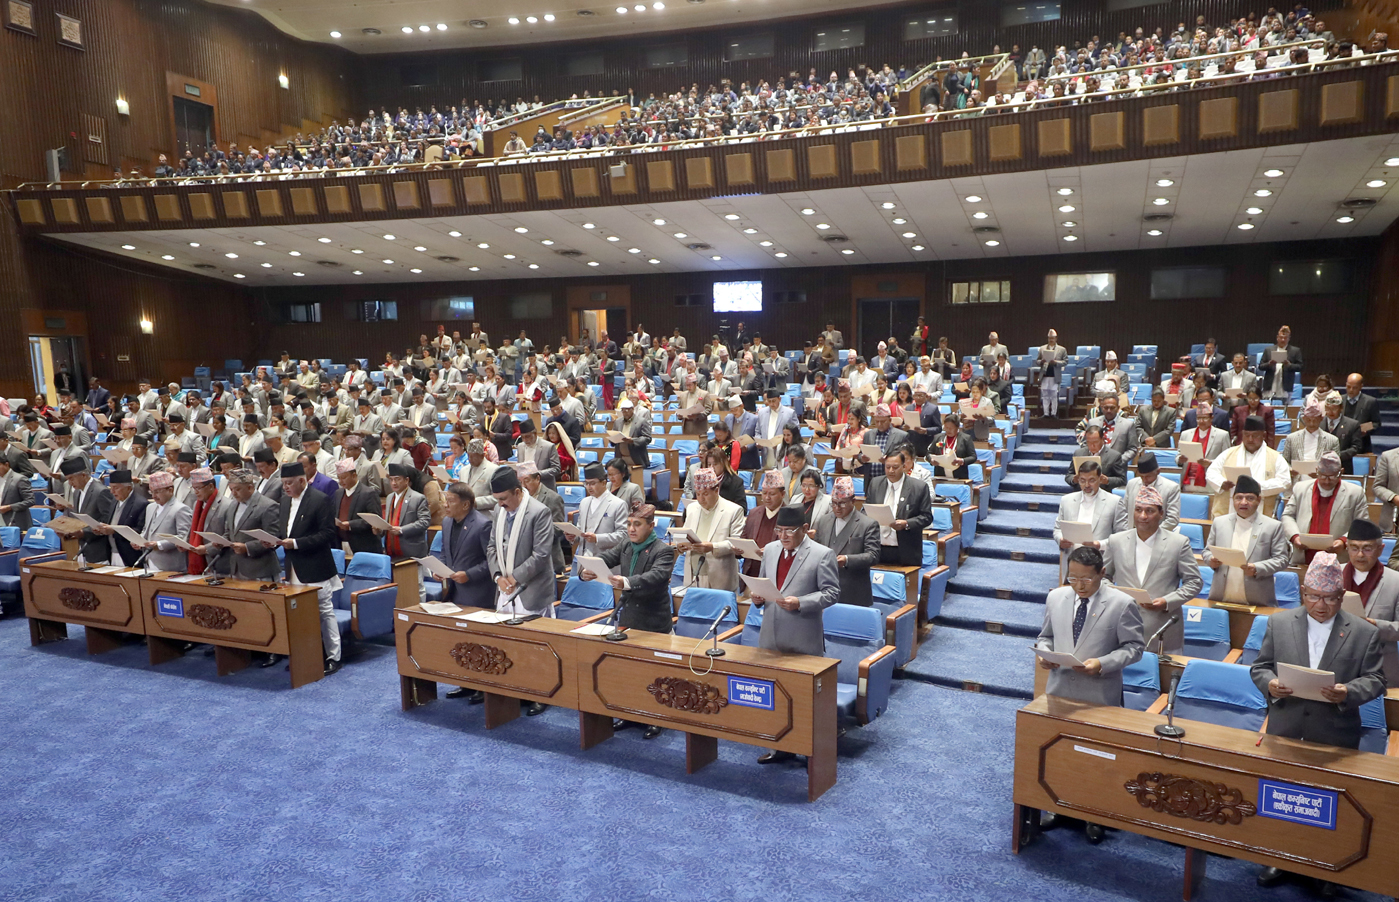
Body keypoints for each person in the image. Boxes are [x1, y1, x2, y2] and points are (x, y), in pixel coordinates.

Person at [1035, 545, 1144, 843]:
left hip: (1099, 693)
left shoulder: (1122, 603)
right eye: (1073, 579)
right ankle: (1057, 805)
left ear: (1102, 574)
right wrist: (1044, 654)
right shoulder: (1056, 597)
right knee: (1059, 751)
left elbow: (1135, 648)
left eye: (1086, 579)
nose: (1079, 585)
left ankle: (1094, 814)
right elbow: (1045, 636)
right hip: (1059, 690)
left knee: (1096, 757)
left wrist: (1103, 664)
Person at [1250, 551, 1385, 749]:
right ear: (1303, 591)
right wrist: (1270, 684)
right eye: (1313, 597)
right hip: (1285, 730)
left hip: (1335, 737)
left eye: (1330, 599)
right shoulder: (1279, 623)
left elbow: (1376, 679)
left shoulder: (1364, 632)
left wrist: (1348, 692)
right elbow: (1260, 667)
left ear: (1341, 596)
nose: (1321, 606)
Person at [753, 504, 840, 765]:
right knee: (773, 694)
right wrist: (757, 598)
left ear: (804, 529)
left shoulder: (822, 554)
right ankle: (778, 745)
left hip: (802, 636)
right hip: (770, 635)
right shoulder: (769, 550)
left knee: (803, 697)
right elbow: (763, 584)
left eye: (789, 531)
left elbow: (832, 593)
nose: (783, 536)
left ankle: (809, 749)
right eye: (779, 530)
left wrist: (801, 602)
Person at [1102, 487, 1201, 655]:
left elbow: (1194, 582)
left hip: (1162, 628)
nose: (1143, 516)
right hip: (1123, 626)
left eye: (1149, 511)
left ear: (1161, 514)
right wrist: (1116, 594)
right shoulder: (1116, 541)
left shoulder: (1178, 543)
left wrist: (1167, 601)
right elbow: (1103, 577)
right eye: (1138, 510)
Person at [273, 462, 344, 675]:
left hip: (315, 566)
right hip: (294, 567)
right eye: (283, 483)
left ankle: (334, 656)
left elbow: (327, 534)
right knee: (299, 613)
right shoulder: (284, 502)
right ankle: (307, 652)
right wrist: (274, 541)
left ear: (302, 481)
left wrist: (295, 543)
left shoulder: (319, 500)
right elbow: (283, 530)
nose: (285, 487)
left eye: (289, 483)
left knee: (324, 612)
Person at [583, 503, 675, 638]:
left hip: (654, 624)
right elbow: (607, 557)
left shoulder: (663, 550)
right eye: (629, 524)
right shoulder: (626, 544)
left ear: (651, 526)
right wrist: (588, 568)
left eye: (637, 524)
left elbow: (656, 575)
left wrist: (626, 582)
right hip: (628, 619)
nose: (631, 529)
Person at [1201, 475, 1292, 606]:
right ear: (1233, 500)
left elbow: (1282, 560)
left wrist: (1257, 568)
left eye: (1250, 498)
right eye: (1239, 498)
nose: (1243, 502)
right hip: (1220, 597)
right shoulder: (1220, 523)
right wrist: (1211, 560)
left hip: (1257, 599)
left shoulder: (1272, 526)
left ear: (1259, 500)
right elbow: (1207, 551)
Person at [1282, 451, 1369, 566]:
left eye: (1332, 476)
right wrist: (1295, 536)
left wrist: (1344, 541)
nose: (1326, 481)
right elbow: (1287, 515)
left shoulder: (1355, 493)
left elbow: (1362, 523)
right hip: (1303, 556)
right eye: (1322, 476)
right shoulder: (1301, 488)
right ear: (1316, 471)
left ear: (1341, 472)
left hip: (1338, 559)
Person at [1343, 520, 1399, 685]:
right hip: (1338, 664)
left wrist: (1375, 625)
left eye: (1367, 549)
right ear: (1347, 548)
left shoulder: (1395, 582)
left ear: (1380, 549)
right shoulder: (1333, 575)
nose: (1360, 555)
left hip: (1380, 666)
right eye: (1354, 548)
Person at [812, 476, 880, 607]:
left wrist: (847, 560)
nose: (837, 508)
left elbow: (873, 556)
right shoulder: (824, 521)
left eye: (842, 503)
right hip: (824, 588)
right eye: (834, 503)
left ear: (853, 501)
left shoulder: (868, 524)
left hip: (853, 591)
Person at [675, 467, 745, 592]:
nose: (701, 499)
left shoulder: (733, 510)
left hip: (720, 576)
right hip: (694, 574)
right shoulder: (691, 508)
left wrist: (712, 547)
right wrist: (680, 546)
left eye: (706, 494)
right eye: (698, 494)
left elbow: (736, 543)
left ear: (716, 490)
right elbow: (685, 535)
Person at [1205, 415, 1290, 517]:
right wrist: (1221, 483)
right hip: (1227, 512)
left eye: (1255, 436)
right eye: (1246, 435)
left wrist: (1259, 487)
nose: (1250, 439)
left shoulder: (1275, 457)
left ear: (1263, 435)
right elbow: (1211, 472)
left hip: (1261, 513)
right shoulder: (1228, 454)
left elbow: (1285, 481)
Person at [865, 447, 932, 566]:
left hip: (905, 551)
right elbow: (866, 510)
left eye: (895, 467)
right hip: (877, 549)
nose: (891, 471)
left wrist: (906, 523)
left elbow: (926, 517)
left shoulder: (919, 487)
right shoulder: (875, 483)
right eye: (887, 467)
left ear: (904, 467)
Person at [571, 461, 628, 574]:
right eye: (586, 483)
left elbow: (624, 535)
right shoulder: (584, 502)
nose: (589, 487)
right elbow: (580, 529)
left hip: (606, 562)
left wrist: (597, 538)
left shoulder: (618, 504)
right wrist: (573, 536)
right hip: (584, 562)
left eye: (592, 483)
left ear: (603, 483)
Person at [1114, 454, 1180, 532]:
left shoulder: (1171, 488)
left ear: (1158, 471)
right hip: (1132, 534)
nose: (1144, 480)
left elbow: (1173, 519)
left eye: (1148, 476)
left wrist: (1152, 534)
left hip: (1158, 536)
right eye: (1142, 476)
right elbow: (1124, 512)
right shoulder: (1132, 484)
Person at [93, 470, 145, 565]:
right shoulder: (114, 501)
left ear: (128, 488)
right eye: (111, 487)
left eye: (115, 488)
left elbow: (139, 531)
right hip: (112, 552)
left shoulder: (140, 504)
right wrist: (102, 530)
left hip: (129, 555)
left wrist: (113, 530)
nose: (112, 492)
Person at [331, 459, 382, 554]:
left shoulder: (368, 493)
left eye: (344, 478)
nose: (341, 481)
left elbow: (375, 520)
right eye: (339, 478)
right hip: (341, 544)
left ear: (354, 475)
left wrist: (350, 525)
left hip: (363, 545)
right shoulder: (338, 493)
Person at [743, 470, 787, 577]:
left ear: (782, 494)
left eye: (772, 494)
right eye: (764, 493)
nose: (767, 498)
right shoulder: (754, 513)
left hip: (777, 575)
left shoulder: (790, 516)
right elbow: (744, 537)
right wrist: (738, 550)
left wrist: (770, 551)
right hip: (752, 573)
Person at [1283, 400, 1339, 475]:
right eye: (1309, 420)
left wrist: (1321, 473)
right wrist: (1290, 469)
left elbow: (1335, 465)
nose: (1312, 423)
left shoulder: (1332, 440)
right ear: (1304, 419)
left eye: (1315, 420)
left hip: (1321, 481)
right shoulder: (1291, 438)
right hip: (1298, 479)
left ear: (1321, 419)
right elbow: (1284, 461)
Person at [1067, 426, 1126, 491]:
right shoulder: (1078, 453)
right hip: (1081, 494)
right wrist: (1073, 479)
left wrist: (1107, 480)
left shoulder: (1114, 456)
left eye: (1095, 442)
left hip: (1103, 495)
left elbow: (1122, 480)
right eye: (1089, 442)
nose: (1092, 445)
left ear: (1103, 440)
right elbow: (1068, 476)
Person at [1322, 392, 1363, 474]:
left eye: (1334, 409)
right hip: (1321, 467)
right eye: (1328, 408)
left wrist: (1336, 456)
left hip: (1343, 467)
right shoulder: (1319, 423)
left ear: (1341, 408)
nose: (1331, 412)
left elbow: (1356, 447)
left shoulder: (1352, 425)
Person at [1259, 325, 1303, 401]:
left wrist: (1289, 365)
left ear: (1289, 339)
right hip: (1270, 383)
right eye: (1281, 337)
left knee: (1285, 406)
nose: (1283, 340)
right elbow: (1261, 366)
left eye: (1285, 338)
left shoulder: (1295, 351)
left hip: (1286, 385)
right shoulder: (1268, 350)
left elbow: (1300, 367)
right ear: (1277, 338)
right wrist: (1269, 364)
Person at [932, 413, 977, 480]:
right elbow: (929, 453)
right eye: (946, 427)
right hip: (940, 475)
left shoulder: (966, 438)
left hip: (959, 476)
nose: (948, 430)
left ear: (957, 427)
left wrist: (962, 460)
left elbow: (973, 457)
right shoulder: (938, 437)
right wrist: (931, 460)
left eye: (951, 428)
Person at [1037, 329, 1067, 419]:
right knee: (1045, 394)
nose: (1051, 340)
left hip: (1055, 375)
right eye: (1049, 338)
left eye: (1052, 338)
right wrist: (1041, 362)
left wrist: (1056, 362)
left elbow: (1066, 361)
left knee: (1054, 395)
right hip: (1045, 374)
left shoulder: (1062, 349)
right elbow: (1037, 361)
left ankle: (1054, 413)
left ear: (1056, 338)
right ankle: (1046, 413)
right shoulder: (1042, 348)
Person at [0, 456, 35, 529]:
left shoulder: (20, 479)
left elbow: (30, 500)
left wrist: (9, 507)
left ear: (6, 464)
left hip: (15, 521)